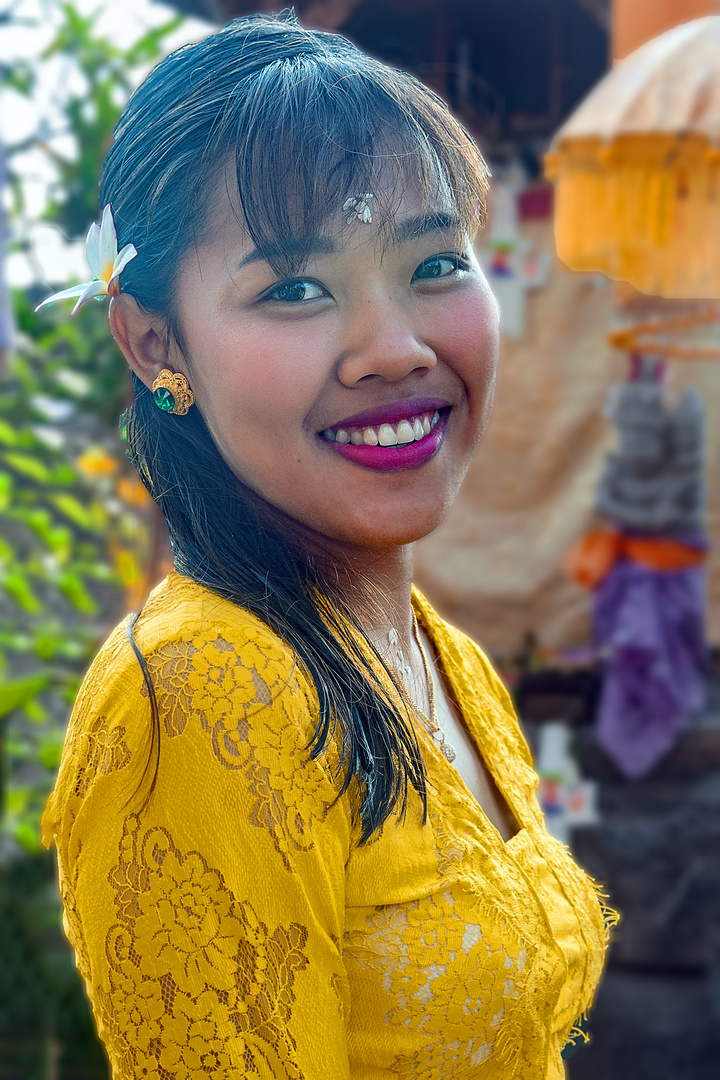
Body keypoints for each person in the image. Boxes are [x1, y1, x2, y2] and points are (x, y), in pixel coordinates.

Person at [40, 12, 614, 1079]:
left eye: (437, 262)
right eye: (295, 288)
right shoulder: (198, 696)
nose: (395, 350)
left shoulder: (443, 656)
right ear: (157, 344)